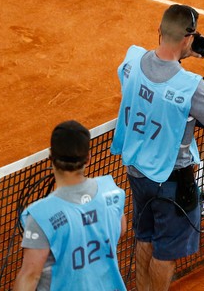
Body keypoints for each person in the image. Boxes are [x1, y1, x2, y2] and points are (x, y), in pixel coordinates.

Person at [110, 4, 204, 291]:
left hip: (137, 172)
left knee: (144, 237)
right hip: (171, 181)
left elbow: (140, 86)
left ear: (159, 31)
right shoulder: (189, 85)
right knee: (165, 252)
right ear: (188, 39)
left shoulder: (132, 59)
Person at [13, 120, 127, 291]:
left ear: (51, 156)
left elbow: (30, 275)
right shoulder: (112, 192)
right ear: (88, 158)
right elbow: (120, 230)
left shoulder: (40, 215)